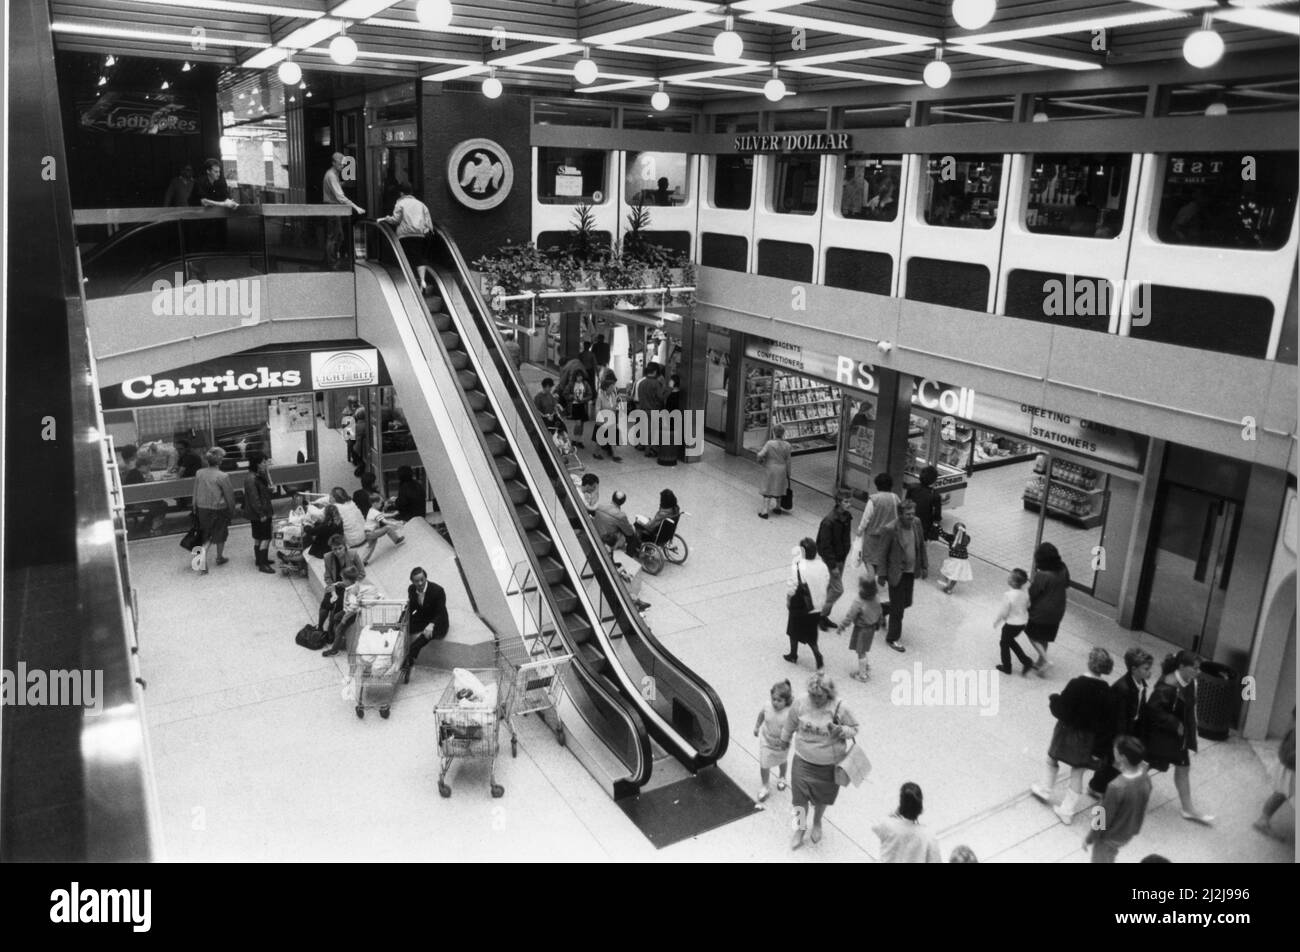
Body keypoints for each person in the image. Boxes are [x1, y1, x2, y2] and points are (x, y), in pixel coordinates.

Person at [1031, 646, 1115, 824]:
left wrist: (1053, 698)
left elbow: (1062, 709)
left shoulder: (1077, 684)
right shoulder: (1106, 690)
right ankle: (1066, 811)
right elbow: (1107, 720)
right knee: (1078, 773)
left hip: (1067, 732)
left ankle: (1045, 789)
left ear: (1089, 662)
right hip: (1089, 739)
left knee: (1052, 758)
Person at [780, 672, 859, 849]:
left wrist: (841, 730)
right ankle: (799, 829)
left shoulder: (840, 706)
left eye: (819, 696)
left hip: (828, 766)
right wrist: (784, 740)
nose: (815, 699)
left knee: (822, 798)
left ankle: (817, 822)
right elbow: (790, 723)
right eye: (812, 695)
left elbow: (855, 728)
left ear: (829, 693)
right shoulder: (801, 702)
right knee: (798, 800)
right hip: (803, 761)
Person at [1144, 650, 1215, 825]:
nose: (1198, 672)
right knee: (1146, 766)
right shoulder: (1168, 687)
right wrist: (1175, 723)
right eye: (1195, 668)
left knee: (1182, 767)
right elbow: (1152, 709)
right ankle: (1120, 795)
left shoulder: (1188, 681)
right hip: (1163, 736)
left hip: (1176, 736)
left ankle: (1188, 809)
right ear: (1182, 667)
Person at [1088, 647, 1155, 798]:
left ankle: (1098, 785)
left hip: (1129, 728)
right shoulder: (1123, 688)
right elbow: (1118, 717)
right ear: (1134, 669)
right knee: (1113, 762)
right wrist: (1122, 740)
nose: (1149, 672)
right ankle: (1096, 786)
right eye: (1145, 668)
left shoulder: (1140, 684)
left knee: (1116, 763)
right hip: (1116, 732)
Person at [1082, 735, 1152, 863]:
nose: (1113, 752)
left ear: (1122, 757)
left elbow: (1103, 818)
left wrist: (1090, 838)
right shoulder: (1145, 776)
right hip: (1128, 831)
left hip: (1109, 838)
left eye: (1115, 751)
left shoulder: (1116, 786)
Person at [881, 499, 928, 653]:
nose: (911, 517)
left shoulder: (917, 523)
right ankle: (892, 638)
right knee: (898, 609)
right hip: (895, 572)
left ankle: (881, 609)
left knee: (907, 602)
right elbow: (882, 553)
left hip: (910, 571)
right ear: (900, 514)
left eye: (913, 514)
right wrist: (881, 575)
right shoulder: (891, 529)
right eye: (908, 514)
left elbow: (921, 545)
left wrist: (924, 565)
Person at [784, 538, 830, 671]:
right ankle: (817, 655)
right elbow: (827, 580)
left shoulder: (798, 566)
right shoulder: (822, 565)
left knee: (793, 629)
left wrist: (788, 600)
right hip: (816, 605)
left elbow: (792, 586)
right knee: (811, 633)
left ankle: (793, 654)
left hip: (800, 605)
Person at [382, 179, 435, 293]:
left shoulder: (400, 203)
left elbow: (396, 220)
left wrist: (387, 219)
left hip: (405, 236)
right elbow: (429, 223)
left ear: (401, 193)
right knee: (419, 258)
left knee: (406, 260)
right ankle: (422, 280)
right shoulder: (421, 204)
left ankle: (410, 285)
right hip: (419, 235)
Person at [320, 537, 367, 657]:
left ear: (345, 547)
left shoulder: (353, 555)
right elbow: (327, 577)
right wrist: (334, 589)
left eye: (340, 548)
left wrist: (351, 583)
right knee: (326, 603)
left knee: (338, 609)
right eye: (334, 549)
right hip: (339, 585)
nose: (337, 551)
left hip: (349, 587)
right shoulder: (328, 557)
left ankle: (333, 635)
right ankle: (321, 626)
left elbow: (362, 573)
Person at [873, 782, 942, 863]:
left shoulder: (887, 825)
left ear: (901, 804)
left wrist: (895, 813)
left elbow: (874, 825)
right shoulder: (928, 835)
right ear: (920, 806)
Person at [1027, 541, 1070, 672]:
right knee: (1044, 636)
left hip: (1041, 612)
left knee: (1031, 633)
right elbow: (1067, 584)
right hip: (1058, 610)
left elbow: (1033, 593)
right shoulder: (1063, 569)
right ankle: (1040, 662)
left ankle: (1045, 659)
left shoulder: (1042, 575)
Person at [401, 567, 448, 682]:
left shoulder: (438, 590)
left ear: (426, 578)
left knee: (419, 641)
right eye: (417, 581)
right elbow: (411, 607)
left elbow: (440, 612)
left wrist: (432, 624)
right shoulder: (412, 589)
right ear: (412, 582)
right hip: (423, 617)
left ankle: (408, 661)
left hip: (438, 621)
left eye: (422, 579)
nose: (420, 583)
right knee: (401, 628)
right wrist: (401, 621)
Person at [193, 447, 237, 570]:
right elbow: (229, 496)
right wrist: (232, 510)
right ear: (220, 460)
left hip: (202, 508)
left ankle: (201, 559)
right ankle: (219, 557)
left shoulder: (199, 473)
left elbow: (195, 491)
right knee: (220, 534)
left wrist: (194, 507)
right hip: (219, 509)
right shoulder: (223, 476)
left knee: (206, 535)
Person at [1254, 708, 1295, 839]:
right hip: (1291, 769)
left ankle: (1263, 819)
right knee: (1282, 793)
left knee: (1281, 793)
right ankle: (1263, 820)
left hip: (1287, 766)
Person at [816, 491, 854, 629]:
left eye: (850, 501)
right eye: (846, 502)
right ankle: (821, 614)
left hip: (840, 558)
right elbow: (824, 545)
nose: (849, 504)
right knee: (838, 589)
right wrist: (833, 566)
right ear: (838, 502)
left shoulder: (846, 517)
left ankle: (823, 616)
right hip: (833, 560)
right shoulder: (829, 521)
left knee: (831, 587)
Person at [753, 679, 794, 804]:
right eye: (774, 699)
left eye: (779, 700)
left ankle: (782, 777)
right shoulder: (767, 706)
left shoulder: (789, 713)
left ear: (786, 701)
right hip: (767, 740)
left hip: (782, 744)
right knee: (764, 763)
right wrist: (757, 726)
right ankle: (765, 786)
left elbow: (794, 727)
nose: (775, 703)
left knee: (782, 760)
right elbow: (761, 714)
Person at [837, 577, 884, 683]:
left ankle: (862, 675)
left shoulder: (859, 600)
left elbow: (850, 615)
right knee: (863, 649)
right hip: (871, 628)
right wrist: (879, 623)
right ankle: (865, 666)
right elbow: (880, 611)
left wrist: (842, 627)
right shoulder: (876, 597)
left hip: (862, 629)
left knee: (860, 651)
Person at [324, 151, 364, 269]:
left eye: (343, 164)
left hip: (333, 208)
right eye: (340, 164)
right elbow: (340, 196)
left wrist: (342, 184)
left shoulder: (332, 175)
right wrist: (356, 207)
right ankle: (332, 263)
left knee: (337, 236)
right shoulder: (331, 175)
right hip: (332, 208)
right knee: (335, 236)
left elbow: (334, 187)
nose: (342, 166)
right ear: (333, 163)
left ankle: (332, 260)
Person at [993, 568, 1036, 675]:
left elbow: (1004, 612)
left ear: (1012, 582)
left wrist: (997, 621)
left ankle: (1007, 667)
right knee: (1010, 641)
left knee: (1004, 643)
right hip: (1022, 623)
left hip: (1011, 624)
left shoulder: (1008, 595)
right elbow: (1029, 605)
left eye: (1009, 576)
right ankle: (1026, 661)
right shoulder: (1025, 593)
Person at [857, 473, 900, 576]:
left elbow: (866, 518)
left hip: (872, 536)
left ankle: (870, 583)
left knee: (869, 560)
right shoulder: (895, 498)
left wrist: (860, 530)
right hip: (888, 535)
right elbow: (899, 515)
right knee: (882, 557)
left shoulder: (874, 499)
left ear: (877, 485)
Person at [241, 452, 276, 574]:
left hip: (258, 512)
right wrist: (262, 514)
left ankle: (260, 559)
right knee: (265, 537)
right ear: (257, 464)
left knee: (258, 537)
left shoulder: (256, 476)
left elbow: (261, 493)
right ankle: (263, 564)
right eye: (264, 462)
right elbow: (254, 499)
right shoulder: (252, 479)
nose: (266, 464)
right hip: (261, 513)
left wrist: (266, 473)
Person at [355, 488, 406, 565]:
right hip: (372, 532)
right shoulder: (375, 512)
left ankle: (362, 561)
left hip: (368, 533)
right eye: (380, 503)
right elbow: (384, 521)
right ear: (375, 503)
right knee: (387, 528)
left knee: (370, 547)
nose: (381, 505)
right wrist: (395, 523)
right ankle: (396, 539)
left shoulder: (371, 510)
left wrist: (393, 514)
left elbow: (382, 515)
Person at [121, 456, 167, 535]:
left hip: (132, 501)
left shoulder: (135, 473)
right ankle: (153, 527)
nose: (149, 469)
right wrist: (150, 482)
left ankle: (146, 524)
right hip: (133, 503)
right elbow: (144, 492)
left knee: (160, 503)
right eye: (148, 466)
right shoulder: (136, 475)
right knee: (162, 505)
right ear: (142, 466)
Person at [755, 424, 792, 519]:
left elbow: (760, 455)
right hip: (782, 469)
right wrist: (788, 473)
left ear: (774, 433)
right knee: (779, 488)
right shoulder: (788, 445)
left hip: (770, 468)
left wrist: (760, 461)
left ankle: (764, 511)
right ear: (783, 433)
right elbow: (788, 461)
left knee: (768, 489)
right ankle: (778, 507)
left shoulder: (770, 443)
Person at [636, 363, 668, 456]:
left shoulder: (641, 383)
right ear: (655, 372)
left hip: (643, 410)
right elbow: (661, 397)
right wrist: (668, 389)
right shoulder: (656, 383)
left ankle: (644, 446)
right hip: (654, 410)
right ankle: (651, 450)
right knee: (653, 431)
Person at [905, 465, 943, 543]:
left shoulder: (912, 487)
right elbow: (937, 517)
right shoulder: (935, 495)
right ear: (934, 480)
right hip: (924, 529)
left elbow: (906, 503)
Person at [592, 370, 623, 462]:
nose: (613, 388)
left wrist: (617, 405)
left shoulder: (613, 395)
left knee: (612, 437)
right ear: (606, 388)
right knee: (600, 439)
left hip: (611, 420)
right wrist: (601, 420)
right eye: (611, 387)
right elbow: (597, 409)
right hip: (603, 421)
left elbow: (613, 407)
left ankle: (615, 454)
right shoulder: (600, 397)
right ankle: (596, 453)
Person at [936, 521, 973, 594]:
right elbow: (964, 538)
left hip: (954, 560)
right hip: (963, 561)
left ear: (954, 531)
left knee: (947, 571)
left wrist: (938, 527)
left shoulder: (951, 538)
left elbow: (943, 534)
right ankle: (949, 589)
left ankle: (946, 584)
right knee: (955, 576)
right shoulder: (967, 539)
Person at [563, 369, 592, 450]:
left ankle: (578, 441)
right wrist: (573, 397)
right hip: (574, 405)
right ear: (575, 377)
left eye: (581, 376)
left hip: (583, 405)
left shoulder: (585, 384)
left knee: (581, 424)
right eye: (578, 376)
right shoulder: (571, 384)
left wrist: (583, 399)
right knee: (578, 423)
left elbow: (590, 394)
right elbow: (565, 393)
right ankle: (575, 439)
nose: (580, 378)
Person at [657, 373, 681, 466]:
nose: (669, 382)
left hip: (670, 418)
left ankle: (669, 454)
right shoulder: (675, 393)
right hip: (672, 418)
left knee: (669, 436)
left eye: (671, 381)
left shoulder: (672, 394)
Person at [351, 403, 369, 477]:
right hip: (366, 449)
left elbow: (350, 438)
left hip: (357, 450)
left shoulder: (355, 426)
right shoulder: (368, 425)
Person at [341, 396, 361, 465]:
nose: (355, 404)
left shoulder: (360, 408)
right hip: (350, 430)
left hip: (358, 428)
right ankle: (354, 457)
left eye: (355, 402)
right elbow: (345, 425)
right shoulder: (346, 411)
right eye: (353, 402)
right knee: (351, 442)